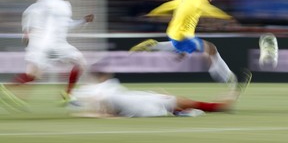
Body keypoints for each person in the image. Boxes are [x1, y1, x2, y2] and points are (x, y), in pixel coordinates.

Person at [0, 0, 94, 110]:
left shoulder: (65, 5)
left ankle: (67, 95)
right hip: (44, 44)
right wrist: (27, 32)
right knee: (35, 74)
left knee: (80, 63)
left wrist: (82, 21)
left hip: (58, 44)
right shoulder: (45, 2)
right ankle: (6, 88)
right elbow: (30, 14)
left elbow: (67, 24)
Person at [130, 0, 238, 88]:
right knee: (211, 50)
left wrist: (155, 12)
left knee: (182, 52)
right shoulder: (198, 0)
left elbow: (171, 4)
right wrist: (226, 18)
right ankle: (230, 80)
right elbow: (209, 10)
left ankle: (153, 46)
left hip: (173, 33)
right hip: (183, 35)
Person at [67, 63, 252, 118]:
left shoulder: (101, 86)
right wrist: (98, 114)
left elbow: (99, 104)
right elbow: (102, 104)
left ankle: (190, 109)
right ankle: (219, 105)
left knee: (174, 100)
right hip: (134, 104)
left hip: (133, 101)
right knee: (177, 101)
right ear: (102, 76)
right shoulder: (102, 87)